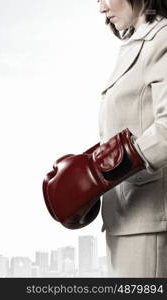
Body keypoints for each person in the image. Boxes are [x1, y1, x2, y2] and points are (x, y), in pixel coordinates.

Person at [98, 0, 167, 277]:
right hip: (125, 217)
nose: (101, 8)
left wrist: (104, 171)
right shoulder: (135, 43)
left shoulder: (162, 40)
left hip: (147, 218)